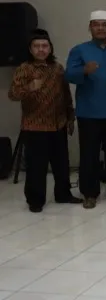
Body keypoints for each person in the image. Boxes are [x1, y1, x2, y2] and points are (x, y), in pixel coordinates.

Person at [9, 31, 81, 212]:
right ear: (30, 49)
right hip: (35, 126)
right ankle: (35, 200)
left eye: (45, 46)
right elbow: (13, 94)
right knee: (36, 167)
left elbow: (65, 95)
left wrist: (70, 116)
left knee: (62, 164)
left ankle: (63, 194)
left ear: (50, 48)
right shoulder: (24, 69)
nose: (41, 50)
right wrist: (29, 88)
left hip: (58, 124)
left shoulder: (57, 69)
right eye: (37, 46)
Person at [65, 10, 106, 209]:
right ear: (90, 28)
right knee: (89, 155)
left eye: (104, 25)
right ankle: (89, 193)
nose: (100, 28)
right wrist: (84, 70)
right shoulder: (79, 50)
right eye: (96, 25)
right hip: (89, 112)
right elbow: (69, 75)